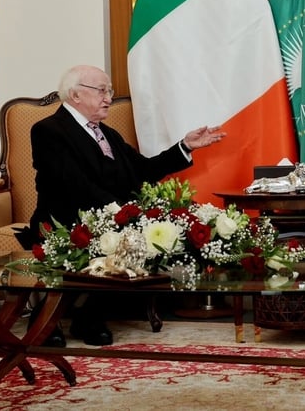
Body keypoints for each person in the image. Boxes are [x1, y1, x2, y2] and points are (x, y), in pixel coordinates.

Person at [27, 65, 226, 347]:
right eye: (102, 90)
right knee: (129, 233)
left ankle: (88, 316)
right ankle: (44, 317)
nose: (108, 97)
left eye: (109, 91)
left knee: (153, 236)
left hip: (109, 216)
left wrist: (185, 146)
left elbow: (143, 170)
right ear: (75, 95)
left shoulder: (108, 134)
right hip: (64, 219)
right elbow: (73, 184)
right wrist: (121, 214)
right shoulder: (48, 130)